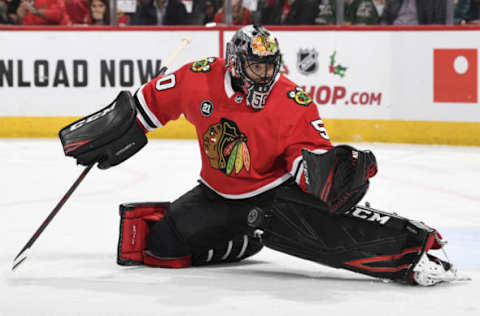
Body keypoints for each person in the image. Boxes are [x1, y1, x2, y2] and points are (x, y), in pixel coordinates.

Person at [59, 25, 465, 286]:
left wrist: (320, 173)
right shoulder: (196, 77)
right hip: (216, 193)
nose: (266, 76)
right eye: (256, 68)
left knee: (333, 238)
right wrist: (114, 131)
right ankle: (246, 241)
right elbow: (147, 107)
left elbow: (308, 152)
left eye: (270, 67)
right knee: (162, 248)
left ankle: (413, 248)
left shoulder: (292, 99)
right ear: (234, 63)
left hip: (273, 195)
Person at [380, 0, 446, 25]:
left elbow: (439, 22)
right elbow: (384, 19)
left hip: (418, 36)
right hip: (394, 35)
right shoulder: (393, 1)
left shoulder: (433, 2)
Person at [315, 0, 380, 25]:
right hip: (337, 41)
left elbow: (360, 27)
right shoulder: (333, 2)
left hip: (364, 43)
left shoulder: (365, 3)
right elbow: (321, 21)